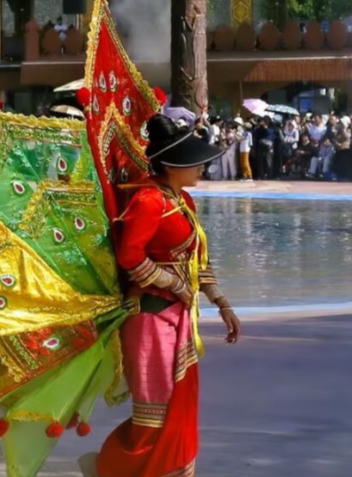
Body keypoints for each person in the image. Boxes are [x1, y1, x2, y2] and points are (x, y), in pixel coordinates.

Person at [83, 114, 242, 477]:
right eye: (194, 163)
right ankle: (113, 470)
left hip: (177, 319)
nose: (201, 168)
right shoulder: (148, 201)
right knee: (153, 414)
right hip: (150, 319)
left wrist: (222, 303)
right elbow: (130, 257)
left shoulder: (182, 200)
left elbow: (197, 259)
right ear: (171, 166)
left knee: (178, 408)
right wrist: (174, 284)